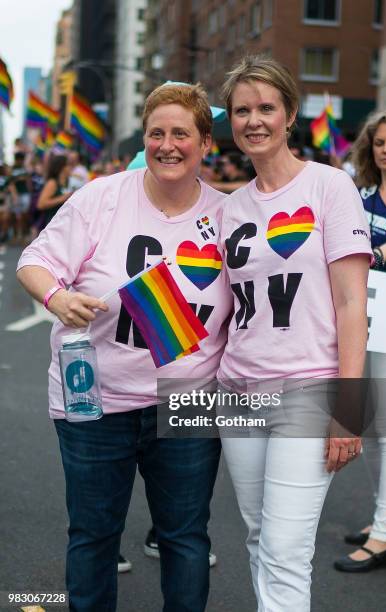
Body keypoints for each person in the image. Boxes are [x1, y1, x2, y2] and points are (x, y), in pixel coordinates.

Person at [16, 82, 231, 612]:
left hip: (188, 401)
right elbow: (33, 261)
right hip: (95, 398)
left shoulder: (230, 215)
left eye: (182, 133)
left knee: (184, 538)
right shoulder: (102, 196)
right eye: (156, 133)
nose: (167, 145)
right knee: (92, 536)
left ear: (206, 143)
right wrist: (58, 297)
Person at [217, 55, 372, 611]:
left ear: (289, 115)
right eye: (241, 110)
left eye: (265, 108)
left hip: (308, 391)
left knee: (285, 549)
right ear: (230, 122)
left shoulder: (331, 187)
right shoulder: (231, 208)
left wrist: (351, 405)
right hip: (236, 393)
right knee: (260, 538)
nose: (253, 120)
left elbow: (354, 303)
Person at [334, 108, 386, 573]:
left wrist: (375, 252)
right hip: (368, 320)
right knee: (375, 430)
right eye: (380, 142)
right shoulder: (362, 196)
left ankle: (383, 538)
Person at [37, 155, 73, 227]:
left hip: (64, 224)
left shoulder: (67, 182)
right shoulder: (52, 183)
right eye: (69, 165)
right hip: (53, 224)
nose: (71, 167)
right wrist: (63, 198)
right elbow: (41, 204)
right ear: (62, 167)